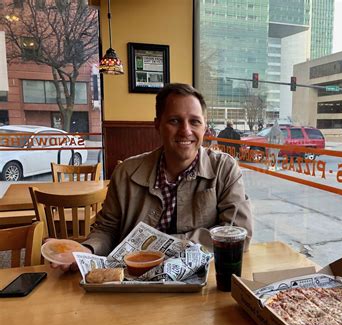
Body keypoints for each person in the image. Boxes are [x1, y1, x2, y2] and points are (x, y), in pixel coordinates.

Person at [53, 83, 253, 270]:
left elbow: (238, 233)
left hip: (201, 282)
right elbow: (106, 229)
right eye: (174, 121)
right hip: (134, 279)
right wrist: (86, 251)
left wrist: (165, 247)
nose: (186, 131)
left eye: (194, 121)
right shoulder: (126, 173)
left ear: (204, 127)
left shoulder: (224, 169)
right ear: (157, 125)